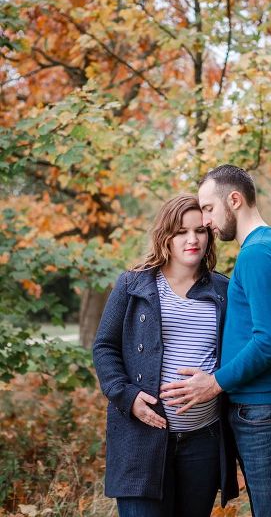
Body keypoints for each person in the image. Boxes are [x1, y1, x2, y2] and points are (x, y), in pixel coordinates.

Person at [159, 165, 271, 517]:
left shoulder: (258, 254)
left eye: (210, 209)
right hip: (265, 411)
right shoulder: (260, 250)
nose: (207, 221)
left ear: (235, 199)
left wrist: (214, 384)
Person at [92, 194, 238, 516]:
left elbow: (238, 355)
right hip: (142, 439)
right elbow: (104, 347)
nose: (192, 239)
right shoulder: (133, 284)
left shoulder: (224, 291)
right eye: (181, 231)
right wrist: (127, 396)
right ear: (165, 237)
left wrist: (215, 382)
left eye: (200, 230)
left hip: (203, 441)